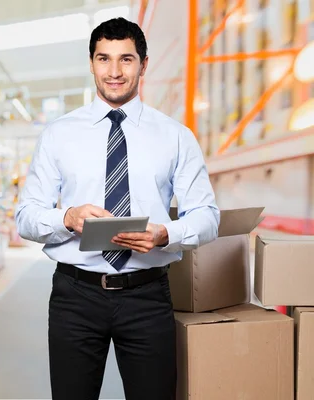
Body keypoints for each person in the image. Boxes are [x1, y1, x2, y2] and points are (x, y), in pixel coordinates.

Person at [15, 17, 220, 400]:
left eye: (125, 59)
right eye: (103, 58)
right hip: (75, 295)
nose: (113, 71)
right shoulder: (58, 134)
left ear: (144, 64)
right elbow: (26, 217)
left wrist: (166, 233)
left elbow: (208, 216)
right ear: (91, 63)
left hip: (147, 296)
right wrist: (67, 218)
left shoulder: (176, 136)